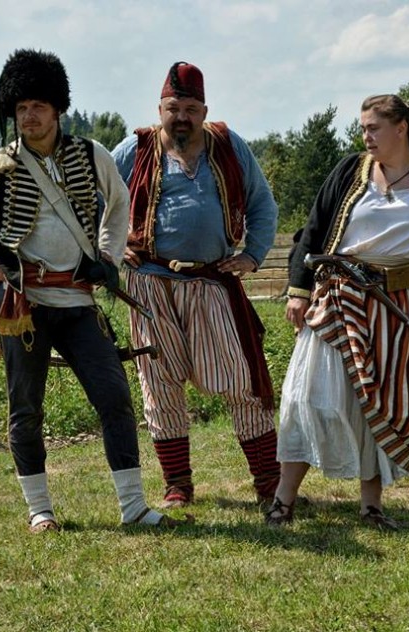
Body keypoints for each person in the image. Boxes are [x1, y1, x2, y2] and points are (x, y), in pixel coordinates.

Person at [0, 49, 188, 533]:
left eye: (38, 106)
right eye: (21, 108)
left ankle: (133, 507)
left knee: (114, 398)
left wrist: (107, 257)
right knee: (26, 410)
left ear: (57, 108)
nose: (29, 116)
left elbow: (118, 203)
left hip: (78, 301)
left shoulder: (90, 154)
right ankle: (40, 511)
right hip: (23, 303)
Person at [265, 94, 409, 529]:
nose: (366, 137)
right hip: (341, 298)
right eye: (362, 128)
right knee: (308, 399)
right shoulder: (350, 171)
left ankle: (371, 505)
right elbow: (313, 229)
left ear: (401, 128)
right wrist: (299, 290)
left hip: (404, 307)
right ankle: (283, 499)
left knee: (383, 403)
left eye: (373, 128)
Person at [111, 62, 280, 509]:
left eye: (190, 109)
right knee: (159, 383)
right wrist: (112, 245)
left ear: (204, 111)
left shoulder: (228, 146)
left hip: (211, 282)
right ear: (159, 110)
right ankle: (177, 486)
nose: (181, 117)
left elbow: (263, 204)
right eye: (173, 108)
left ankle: (269, 484)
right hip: (150, 284)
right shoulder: (134, 149)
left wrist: (253, 254)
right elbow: (92, 199)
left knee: (240, 381)